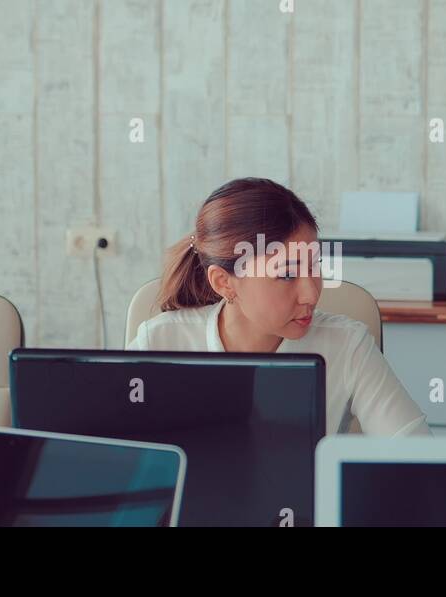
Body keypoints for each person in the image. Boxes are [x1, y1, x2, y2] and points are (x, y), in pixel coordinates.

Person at [129, 177, 430, 437]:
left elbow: (416, 460)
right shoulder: (157, 343)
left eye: (314, 266)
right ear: (224, 282)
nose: (311, 294)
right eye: (286, 274)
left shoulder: (347, 346)